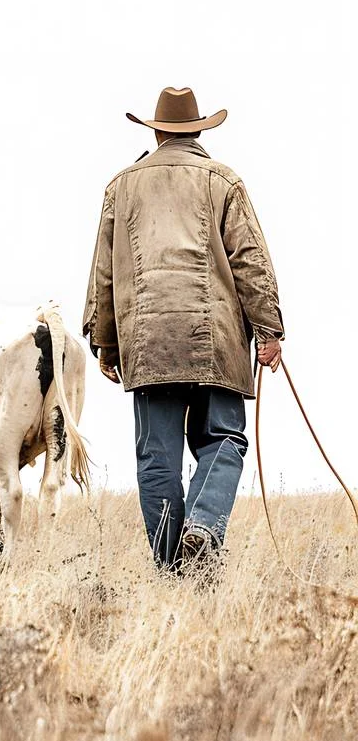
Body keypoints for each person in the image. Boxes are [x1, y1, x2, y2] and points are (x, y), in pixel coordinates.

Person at [83, 87, 283, 573]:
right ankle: (203, 528)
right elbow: (250, 260)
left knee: (157, 459)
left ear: (156, 132)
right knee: (224, 439)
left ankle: (172, 569)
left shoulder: (120, 187)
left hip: (149, 344)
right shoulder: (224, 181)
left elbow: (104, 274)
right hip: (215, 341)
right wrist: (269, 329)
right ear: (198, 131)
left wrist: (105, 343)